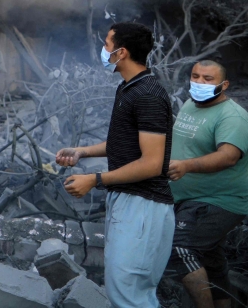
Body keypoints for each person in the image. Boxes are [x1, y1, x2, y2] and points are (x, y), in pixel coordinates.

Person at [56, 22, 174, 308]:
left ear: (121, 52)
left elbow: (152, 163)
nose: (103, 50)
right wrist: (83, 152)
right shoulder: (129, 88)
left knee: (129, 296)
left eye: (106, 45)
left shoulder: (147, 95)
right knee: (125, 292)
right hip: (128, 202)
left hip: (143, 206)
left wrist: (95, 179)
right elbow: (126, 145)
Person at [163, 60, 248, 308]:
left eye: (208, 79)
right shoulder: (191, 104)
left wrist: (187, 166)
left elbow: (228, 156)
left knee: (179, 248)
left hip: (218, 200)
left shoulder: (233, 117)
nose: (199, 82)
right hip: (190, 198)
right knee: (209, 257)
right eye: (195, 76)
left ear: (224, 84)